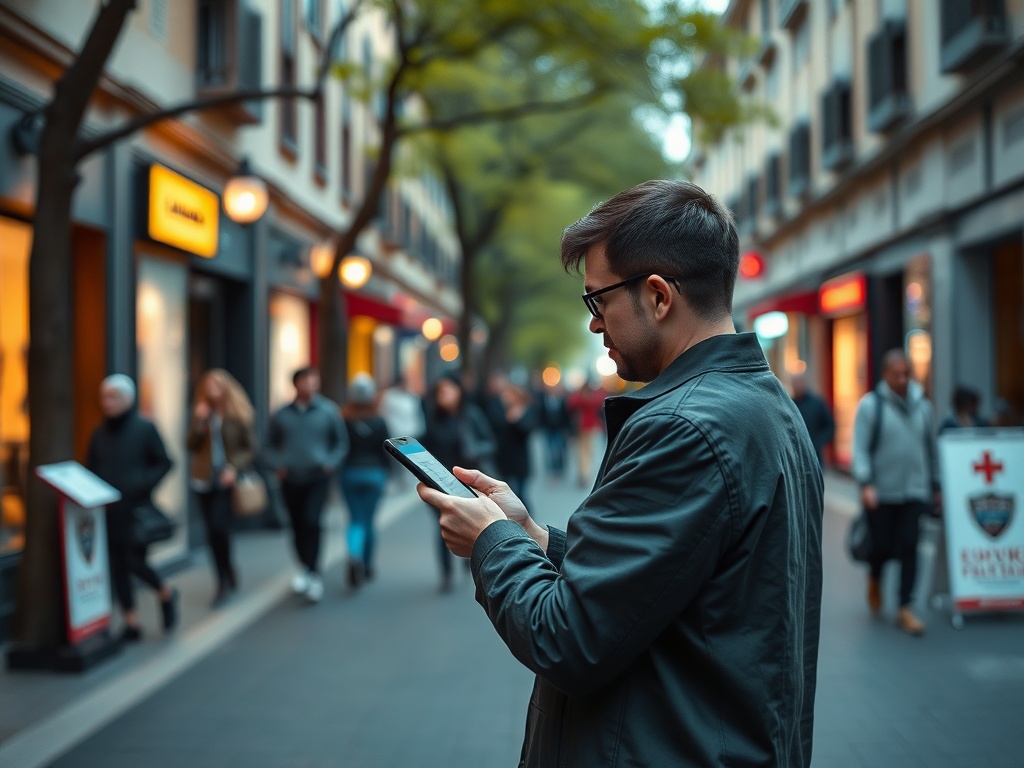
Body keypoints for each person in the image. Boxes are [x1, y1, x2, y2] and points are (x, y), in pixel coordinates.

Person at [418, 180, 824, 766]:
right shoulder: (764, 404)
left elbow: (566, 638)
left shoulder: (684, 428)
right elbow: (659, 582)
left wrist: (490, 542)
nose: (593, 325)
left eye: (598, 300)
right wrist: (531, 536)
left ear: (658, 296)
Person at [852, 348, 940, 636]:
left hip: (914, 491)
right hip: (882, 493)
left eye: (907, 373)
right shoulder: (870, 406)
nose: (903, 379)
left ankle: (905, 607)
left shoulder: (923, 406)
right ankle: (875, 577)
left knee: (909, 546)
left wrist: (935, 485)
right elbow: (860, 450)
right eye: (897, 374)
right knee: (881, 548)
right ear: (884, 375)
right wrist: (866, 483)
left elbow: (931, 450)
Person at [87, 375, 177, 641]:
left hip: (136, 510)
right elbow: (91, 466)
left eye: (114, 396)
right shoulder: (98, 433)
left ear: (128, 398)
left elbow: (164, 462)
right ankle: (131, 620)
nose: (108, 402)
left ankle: (165, 590)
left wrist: (141, 484)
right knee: (117, 566)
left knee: (134, 561)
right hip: (108, 511)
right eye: (105, 397)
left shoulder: (144, 429)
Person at [265, 367, 347, 604]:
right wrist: (277, 464)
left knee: (312, 521)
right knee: (297, 524)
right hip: (290, 478)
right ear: (296, 384)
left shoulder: (328, 411)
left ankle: (313, 572)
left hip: (317, 477)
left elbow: (340, 443)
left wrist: (330, 463)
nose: (311, 385)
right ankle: (304, 567)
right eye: (306, 380)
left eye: (314, 380)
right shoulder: (281, 414)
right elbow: (268, 445)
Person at [187, 369, 257, 607]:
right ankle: (224, 572)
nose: (212, 391)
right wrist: (199, 422)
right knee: (211, 530)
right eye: (208, 386)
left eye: (216, 386)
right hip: (203, 479)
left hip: (226, 480)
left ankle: (224, 578)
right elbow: (190, 445)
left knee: (220, 527)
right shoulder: (202, 413)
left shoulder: (237, 413)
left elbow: (249, 448)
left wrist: (234, 469)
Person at [420, 374, 496, 592]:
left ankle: (468, 558)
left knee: (469, 524)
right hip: (439, 483)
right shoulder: (433, 418)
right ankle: (446, 573)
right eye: (440, 391)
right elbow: (427, 446)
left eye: (448, 389)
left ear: (459, 390)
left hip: (468, 482)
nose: (444, 395)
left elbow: (490, 443)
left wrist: (474, 450)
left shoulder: (471, 415)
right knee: (442, 526)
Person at [340, 374, 390, 588]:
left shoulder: (344, 419)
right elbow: (387, 449)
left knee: (355, 519)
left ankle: (353, 555)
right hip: (374, 474)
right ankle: (367, 564)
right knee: (369, 520)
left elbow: (340, 448)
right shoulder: (379, 421)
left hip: (350, 473)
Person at [495, 383, 536, 508]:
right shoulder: (500, 409)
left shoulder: (525, 410)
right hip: (505, 457)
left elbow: (527, 430)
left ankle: (526, 518)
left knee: (520, 493)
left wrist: (516, 419)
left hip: (520, 458)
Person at [566, 377, 606, 487]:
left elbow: (570, 404)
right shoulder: (595, 397)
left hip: (582, 425)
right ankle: (586, 473)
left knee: (581, 451)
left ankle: (583, 473)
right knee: (589, 451)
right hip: (592, 425)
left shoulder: (579, 396)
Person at [791, 372, 835, 467]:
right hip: (795, 458)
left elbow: (830, 426)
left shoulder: (817, 403)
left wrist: (819, 442)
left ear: (805, 382)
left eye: (799, 382)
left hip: (815, 456)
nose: (797, 385)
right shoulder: (789, 404)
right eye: (794, 382)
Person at [537, 382, 571, 479]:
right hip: (548, 429)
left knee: (559, 449)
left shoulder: (562, 400)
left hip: (559, 429)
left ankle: (559, 468)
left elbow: (566, 415)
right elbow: (541, 414)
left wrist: (567, 429)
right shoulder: (543, 400)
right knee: (550, 450)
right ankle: (553, 470)